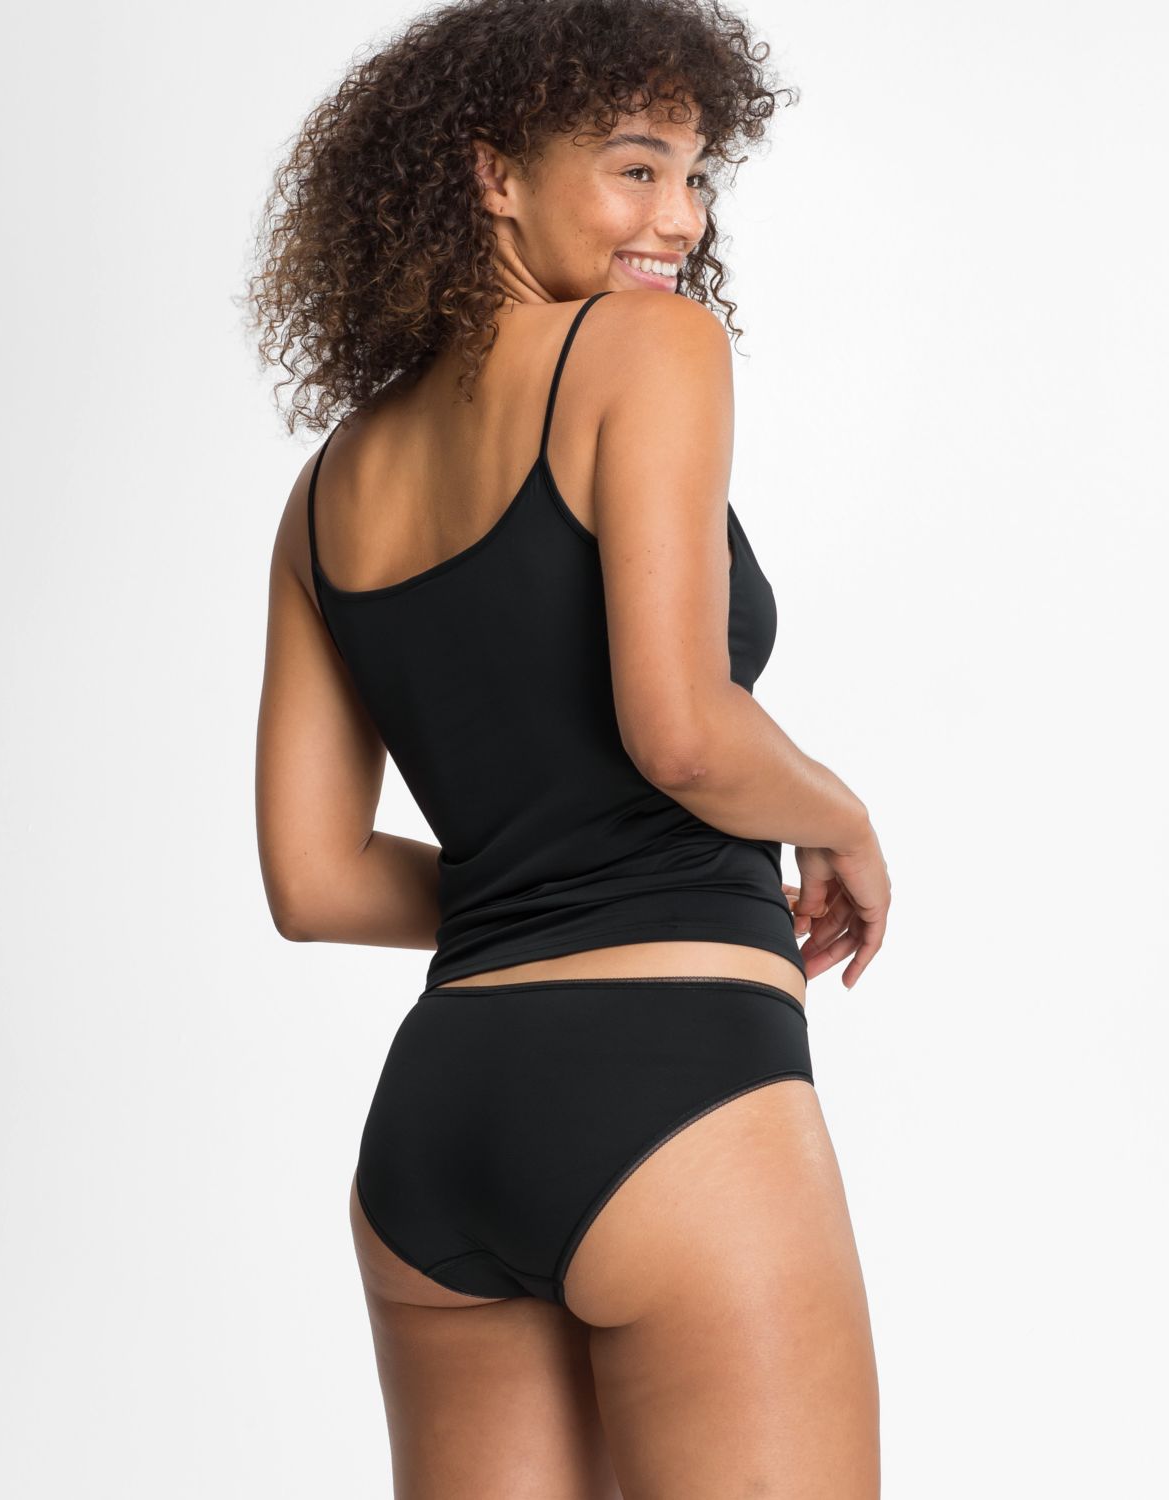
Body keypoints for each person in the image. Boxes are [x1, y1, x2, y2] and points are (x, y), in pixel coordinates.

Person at [249, 1, 890, 1494]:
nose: (683, 218)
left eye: (696, 176)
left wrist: (529, 891)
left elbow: (312, 880)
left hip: (438, 1127)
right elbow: (684, 731)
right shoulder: (646, 347)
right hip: (675, 1090)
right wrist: (841, 817)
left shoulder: (327, 489)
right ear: (494, 172)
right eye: (636, 168)